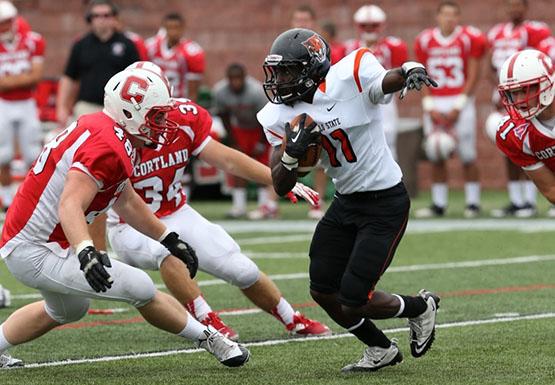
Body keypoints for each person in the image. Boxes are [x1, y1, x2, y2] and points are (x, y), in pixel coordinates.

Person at [0, 67, 250, 369]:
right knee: (140, 287)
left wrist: (168, 238)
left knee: (67, 310)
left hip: (42, 239)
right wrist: (86, 252)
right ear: (130, 113)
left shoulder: (112, 131)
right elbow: (70, 204)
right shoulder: (108, 145)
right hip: (34, 247)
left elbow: (127, 200)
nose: (164, 124)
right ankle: (212, 339)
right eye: (157, 116)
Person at [105, 61, 330, 341]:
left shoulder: (184, 118)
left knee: (240, 268)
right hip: (129, 225)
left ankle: (292, 318)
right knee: (168, 250)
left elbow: (226, 159)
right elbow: (88, 195)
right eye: (153, 111)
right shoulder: (111, 137)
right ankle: (208, 321)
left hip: (175, 210)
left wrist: (279, 181)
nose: (163, 118)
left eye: (163, 108)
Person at [258, 28, 440, 372]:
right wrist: (290, 156)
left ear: (312, 68)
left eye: (287, 71)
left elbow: (385, 80)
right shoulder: (278, 114)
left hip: (385, 203)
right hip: (346, 202)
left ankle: (420, 307)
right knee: (322, 289)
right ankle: (380, 349)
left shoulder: (351, 74)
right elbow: (280, 185)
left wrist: (408, 71)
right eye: (277, 71)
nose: (279, 80)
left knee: (355, 299)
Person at [413, 1, 486, 218]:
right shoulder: (425, 39)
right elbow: (421, 74)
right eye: (445, 14)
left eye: (454, 15)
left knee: (467, 154)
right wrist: (428, 106)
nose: (449, 19)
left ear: (459, 17)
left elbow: (473, 75)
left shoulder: (468, 38)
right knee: (436, 152)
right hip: (435, 100)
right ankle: (439, 203)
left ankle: (473, 202)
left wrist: (460, 105)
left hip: (459, 99)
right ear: (438, 16)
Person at [487, 0, 551, 218]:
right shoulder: (496, 33)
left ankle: (528, 201)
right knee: (519, 145)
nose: (514, 8)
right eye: (510, 4)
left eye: (518, 4)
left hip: (535, 83)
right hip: (514, 90)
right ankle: (518, 201)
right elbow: (551, 190)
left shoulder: (537, 31)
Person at [56, 0, 140, 126]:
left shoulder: (127, 45)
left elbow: (137, 77)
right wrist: (61, 107)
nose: (102, 19)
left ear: (114, 18)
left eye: (106, 15)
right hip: (87, 106)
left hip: (117, 107)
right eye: (97, 16)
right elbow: (69, 78)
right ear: (90, 19)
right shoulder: (81, 45)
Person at [213, 63, 279, 219]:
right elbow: (224, 117)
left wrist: (261, 143)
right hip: (240, 129)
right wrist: (233, 141)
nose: (235, 82)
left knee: (262, 166)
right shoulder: (220, 91)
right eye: (232, 79)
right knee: (238, 164)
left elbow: (267, 118)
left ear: (244, 78)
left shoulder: (256, 91)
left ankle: (264, 205)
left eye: (238, 79)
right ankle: (239, 206)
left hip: (259, 128)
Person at [345, 4, 408, 160]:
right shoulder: (349, 48)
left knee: (388, 141)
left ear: (382, 25)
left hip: (384, 100)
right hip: (358, 101)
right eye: (365, 26)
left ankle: (391, 181)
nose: (369, 29)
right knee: (359, 142)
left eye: (373, 25)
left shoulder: (392, 46)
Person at [495, 50, 555, 215]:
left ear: (547, 84)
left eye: (526, 89)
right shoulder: (513, 133)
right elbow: (551, 189)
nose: (520, 99)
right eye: (514, 92)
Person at [0, 1, 45, 212]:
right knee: (3, 154)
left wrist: (8, 82)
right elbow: (29, 76)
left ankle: (32, 197)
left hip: (26, 102)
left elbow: (36, 77)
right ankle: (8, 201)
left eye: (5, 22)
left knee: (33, 154)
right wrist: (23, 78)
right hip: (3, 104)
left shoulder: (32, 40)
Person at [289, 4, 328, 220]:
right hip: (289, 103)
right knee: (278, 148)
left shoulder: (320, 46)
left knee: (318, 153)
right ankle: (270, 203)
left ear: (313, 23)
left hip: (315, 102)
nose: (302, 23)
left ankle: (317, 201)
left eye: (305, 19)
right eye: (298, 19)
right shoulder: (284, 44)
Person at [146, 12, 204, 101]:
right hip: (154, 99)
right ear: (164, 28)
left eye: (176, 28)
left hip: (178, 101)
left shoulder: (191, 51)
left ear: (182, 28)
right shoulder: (151, 46)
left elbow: (193, 91)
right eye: (169, 28)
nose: (173, 32)